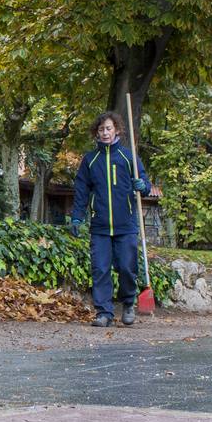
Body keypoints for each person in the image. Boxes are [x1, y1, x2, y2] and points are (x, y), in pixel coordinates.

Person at [70, 111, 156, 328]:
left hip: (125, 225)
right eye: (101, 129)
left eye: (108, 128)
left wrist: (142, 186)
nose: (105, 133)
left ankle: (128, 303)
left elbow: (145, 184)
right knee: (100, 269)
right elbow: (81, 191)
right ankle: (104, 312)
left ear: (116, 130)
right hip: (99, 226)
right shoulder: (90, 160)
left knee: (127, 267)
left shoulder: (129, 157)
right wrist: (77, 217)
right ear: (96, 133)